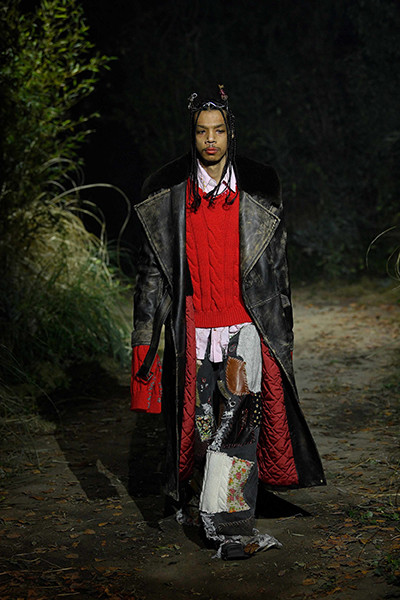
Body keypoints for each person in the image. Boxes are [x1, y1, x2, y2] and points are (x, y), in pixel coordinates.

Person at [130, 86, 325, 560]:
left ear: (230, 133)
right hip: (193, 331)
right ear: (193, 135)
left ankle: (231, 528)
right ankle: (202, 504)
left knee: (236, 429)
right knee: (198, 429)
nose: (211, 140)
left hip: (244, 328)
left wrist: (282, 338)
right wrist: (144, 347)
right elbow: (151, 277)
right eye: (202, 132)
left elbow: (277, 273)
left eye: (218, 130)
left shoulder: (258, 190)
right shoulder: (170, 194)